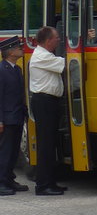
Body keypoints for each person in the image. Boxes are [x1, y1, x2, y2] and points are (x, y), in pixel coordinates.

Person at [28, 26, 67, 195]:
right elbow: (66, 63)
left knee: (51, 143)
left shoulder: (46, 55)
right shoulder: (41, 56)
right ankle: (43, 185)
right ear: (48, 40)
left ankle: (50, 181)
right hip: (44, 102)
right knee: (46, 145)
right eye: (57, 37)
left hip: (49, 102)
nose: (58, 40)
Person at [0, 37, 29, 195]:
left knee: (13, 152)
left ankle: (9, 179)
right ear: (10, 51)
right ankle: (1, 182)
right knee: (4, 151)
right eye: (18, 47)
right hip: (6, 117)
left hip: (17, 116)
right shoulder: (1, 70)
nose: (21, 49)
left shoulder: (16, 69)